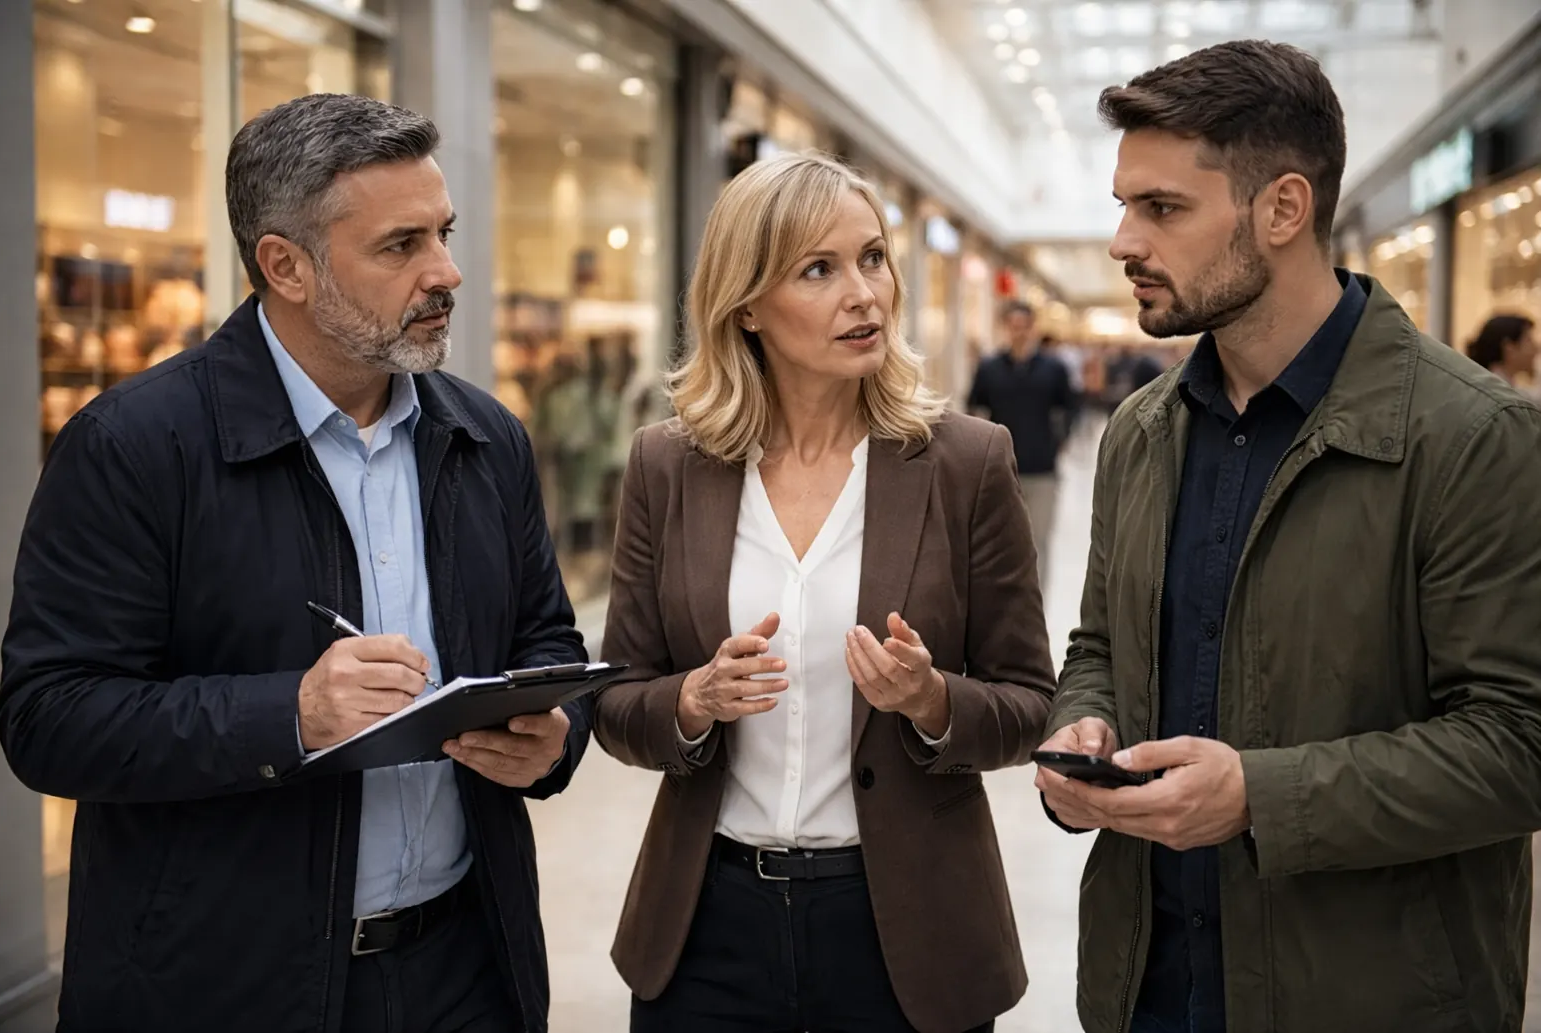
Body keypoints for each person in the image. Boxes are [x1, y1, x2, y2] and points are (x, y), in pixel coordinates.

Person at [0, 94, 591, 1033]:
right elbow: (48, 717)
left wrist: (558, 736)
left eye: (443, 232)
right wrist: (291, 714)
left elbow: (547, 638)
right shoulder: (135, 446)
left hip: (465, 971)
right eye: (402, 246)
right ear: (286, 266)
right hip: (222, 986)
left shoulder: (485, 437)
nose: (447, 271)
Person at [1034, 40, 1541, 1033]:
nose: (1122, 242)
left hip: (1368, 996)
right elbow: (1096, 647)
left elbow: (1516, 745)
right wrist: (1081, 724)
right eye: (1122, 205)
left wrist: (1258, 796)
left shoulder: (1472, 436)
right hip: (1148, 982)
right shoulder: (1140, 435)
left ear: (1280, 210)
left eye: (1161, 208)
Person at [594, 153, 1056, 1033]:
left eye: (873, 258)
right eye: (820, 269)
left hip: (906, 931)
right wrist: (691, 700)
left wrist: (930, 700)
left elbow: (1031, 701)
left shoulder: (965, 462)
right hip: (707, 925)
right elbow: (616, 699)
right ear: (747, 306)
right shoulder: (668, 464)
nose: (865, 294)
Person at [966, 301, 1075, 584]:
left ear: (1032, 328)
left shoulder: (1053, 369)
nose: (1019, 333)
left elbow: (1070, 406)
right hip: (999, 470)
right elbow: (974, 409)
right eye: (1013, 327)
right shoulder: (989, 369)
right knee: (999, 543)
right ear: (1005, 328)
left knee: (1038, 541)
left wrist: (1061, 441)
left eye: (1024, 327)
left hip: (1041, 468)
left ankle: (1036, 609)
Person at [1467, 313, 1537, 394]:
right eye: (1529, 341)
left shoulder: (1506, 387)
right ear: (1509, 348)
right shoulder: (1496, 391)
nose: (1536, 349)